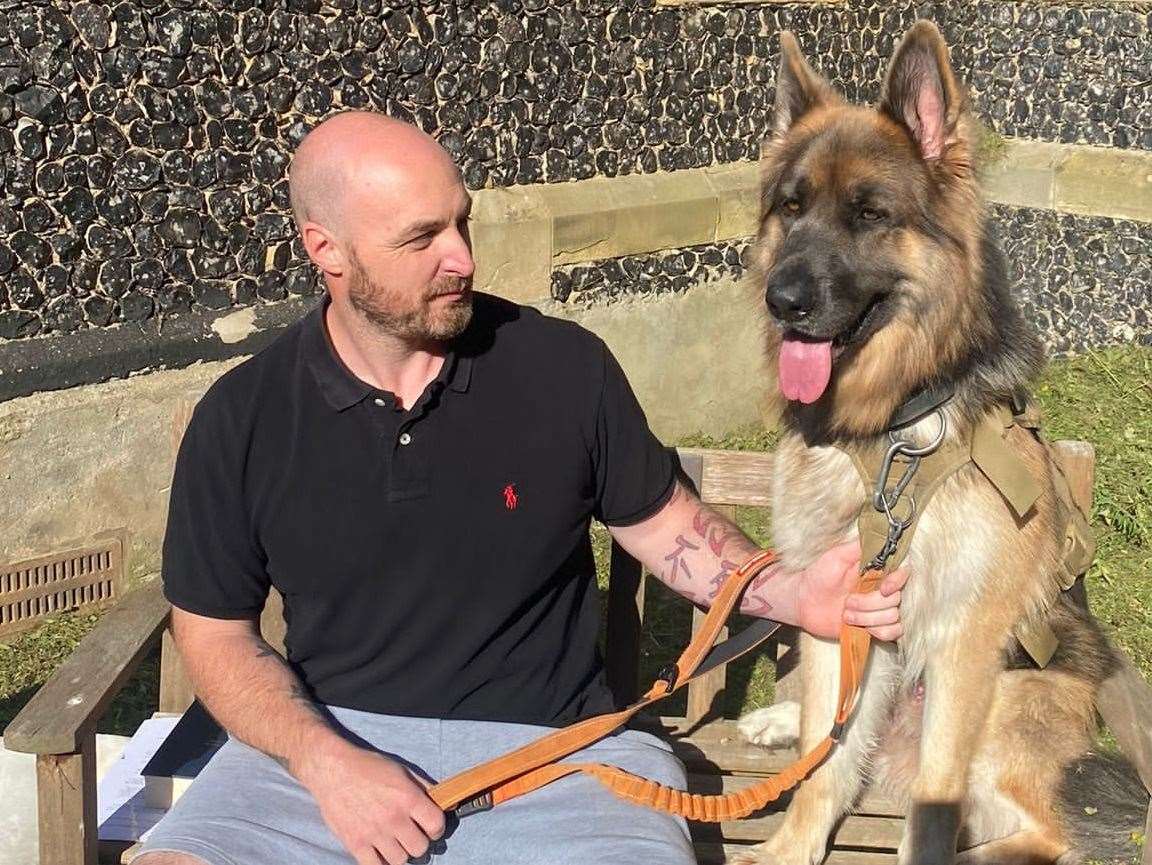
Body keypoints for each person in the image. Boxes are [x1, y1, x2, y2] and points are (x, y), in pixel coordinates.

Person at [132, 111, 907, 865]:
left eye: (461, 223)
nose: (462, 257)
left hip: (561, 761)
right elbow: (215, 635)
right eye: (421, 238)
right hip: (322, 753)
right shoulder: (244, 417)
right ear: (327, 252)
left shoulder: (560, 367)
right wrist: (327, 763)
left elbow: (669, 531)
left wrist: (795, 595)